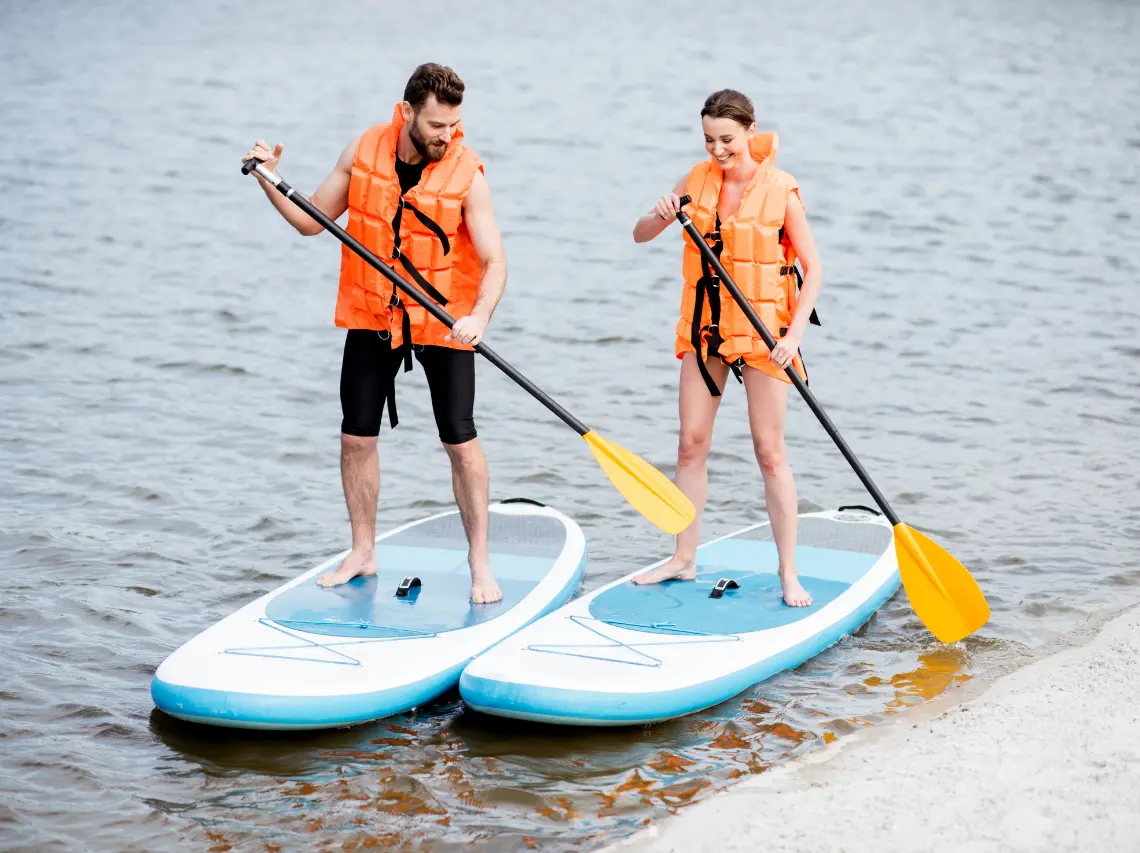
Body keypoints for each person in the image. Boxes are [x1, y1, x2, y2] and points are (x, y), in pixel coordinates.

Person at [243, 63, 507, 603]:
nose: (447, 135)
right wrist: (267, 177)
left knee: (460, 442)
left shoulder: (467, 171)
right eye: (436, 125)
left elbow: (495, 260)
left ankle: (480, 563)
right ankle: (362, 552)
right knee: (355, 438)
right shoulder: (362, 150)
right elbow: (311, 220)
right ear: (407, 111)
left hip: (444, 317)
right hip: (375, 314)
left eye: (454, 124)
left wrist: (479, 316)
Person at [631, 89, 822, 607]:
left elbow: (815, 269)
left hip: (765, 336)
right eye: (709, 139)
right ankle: (683, 558)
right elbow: (640, 235)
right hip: (708, 333)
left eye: (728, 140)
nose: (717, 150)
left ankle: (788, 572)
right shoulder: (695, 181)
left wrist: (794, 335)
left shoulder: (782, 190)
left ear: (751, 131)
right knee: (690, 443)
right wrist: (661, 213)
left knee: (769, 452)